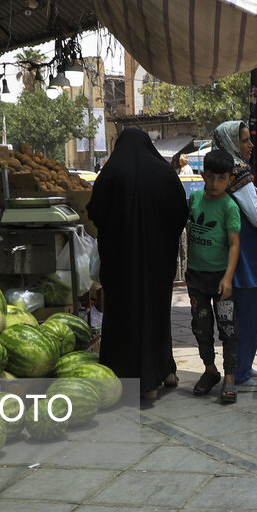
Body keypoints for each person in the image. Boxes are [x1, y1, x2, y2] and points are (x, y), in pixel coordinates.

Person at [86, 128, 189, 401]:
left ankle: (125, 379)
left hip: (120, 266)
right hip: (158, 263)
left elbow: (94, 212)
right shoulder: (165, 173)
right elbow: (181, 211)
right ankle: (163, 371)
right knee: (156, 315)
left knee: (122, 316)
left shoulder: (110, 173)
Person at [212, 120, 257, 392]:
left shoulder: (222, 172)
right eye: (245, 140)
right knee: (249, 316)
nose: (250, 145)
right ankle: (239, 374)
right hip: (245, 258)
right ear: (231, 143)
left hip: (231, 254)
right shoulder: (238, 174)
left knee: (238, 317)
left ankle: (243, 366)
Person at [184, 149, 242, 403]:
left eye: (222, 178)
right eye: (211, 177)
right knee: (201, 326)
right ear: (203, 174)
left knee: (228, 328)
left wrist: (228, 278)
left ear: (230, 179)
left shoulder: (230, 207)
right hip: (196, 277)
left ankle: (230, 376)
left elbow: (234, 245)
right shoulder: (194, 199)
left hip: (221, 278)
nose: (216, 183)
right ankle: (210, 371)